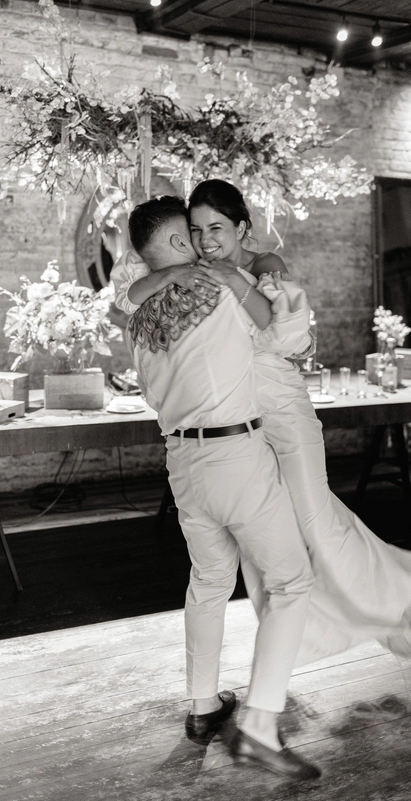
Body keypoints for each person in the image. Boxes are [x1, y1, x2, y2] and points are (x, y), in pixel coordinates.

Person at [116, 180, 411, 668]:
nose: (206, 239)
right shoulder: (193, 276)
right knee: (267, 551)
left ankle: (408, 592)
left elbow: (294, 338)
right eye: (196, 230)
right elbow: (127, 299)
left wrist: (247, 293)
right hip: (241, 425)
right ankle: (305, 639)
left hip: (282, 412)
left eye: (216, 228)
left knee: (317, 521)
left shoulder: (263, 266)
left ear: (241, 228)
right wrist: (176, 274)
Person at [123, 195, 320, 780]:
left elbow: (137, 318)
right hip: (235, 454)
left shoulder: (140, 318)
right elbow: (283, 332)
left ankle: (203, 705)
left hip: (181, 461)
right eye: (193, 233)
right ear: (177, 244)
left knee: (209, 582)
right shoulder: (219, 291)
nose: (204, 242)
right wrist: (245, 275)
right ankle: (259, 728)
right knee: (291, 582)